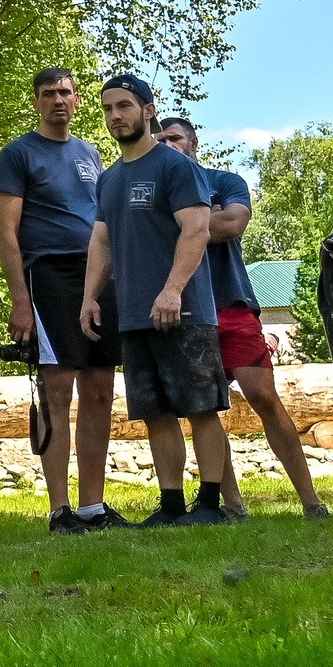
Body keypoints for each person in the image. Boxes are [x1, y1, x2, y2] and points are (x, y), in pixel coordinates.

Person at [155, 117, 329, 520]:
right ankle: (232, 505)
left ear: (194, 141)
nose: (168, 144)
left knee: (265, 398)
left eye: (175, 137)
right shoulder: (152, 189)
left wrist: (177, 224)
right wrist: (194, 225)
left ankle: (311, 501)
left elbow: (234, 222)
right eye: (160, 139)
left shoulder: (223, 181)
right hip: (184, 310)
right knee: (204, 409)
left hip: (231, 304)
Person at [80, 75, 234, 526]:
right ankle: (170, 507)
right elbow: (102, 241)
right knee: (156, 413)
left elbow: (198, 230)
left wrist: (172, 289)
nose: (115, 116)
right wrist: (90, 297)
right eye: (108, 109)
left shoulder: (175, 167)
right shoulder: (109, 178)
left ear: (148, 110)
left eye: (125, 106)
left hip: (184, 310)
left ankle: (209, 506)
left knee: (202, 408)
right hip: (132, 314)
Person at [0, 67, 126, 533]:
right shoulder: (19, 154)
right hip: (47, 275)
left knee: (100, 389)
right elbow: (6, 232)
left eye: (66, 93)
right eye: (49, 94)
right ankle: (60, 510)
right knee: (57, 391)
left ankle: (93, 506)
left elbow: (104, 224)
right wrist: (20, 300)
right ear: (36, 101)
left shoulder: (91, 153)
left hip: (97, 276)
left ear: (76, 100)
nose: (58, 101)